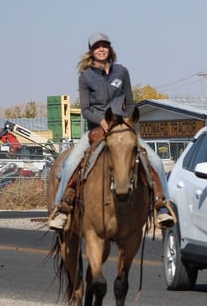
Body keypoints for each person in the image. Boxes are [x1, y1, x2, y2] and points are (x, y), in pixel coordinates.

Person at [47, 32, 175, 230]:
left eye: (104, 45)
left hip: (123, 129)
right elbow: (85, 110)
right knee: (70, 163)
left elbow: (130, 102)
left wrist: (129, 121)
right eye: (97, 46)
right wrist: (101, 121)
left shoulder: (121, 72)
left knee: (156, 161)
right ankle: (61, 210)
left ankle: (162, 207)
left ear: (110, 49)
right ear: (92, 51)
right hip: (98, 130)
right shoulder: (85, 77)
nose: (101, 49)